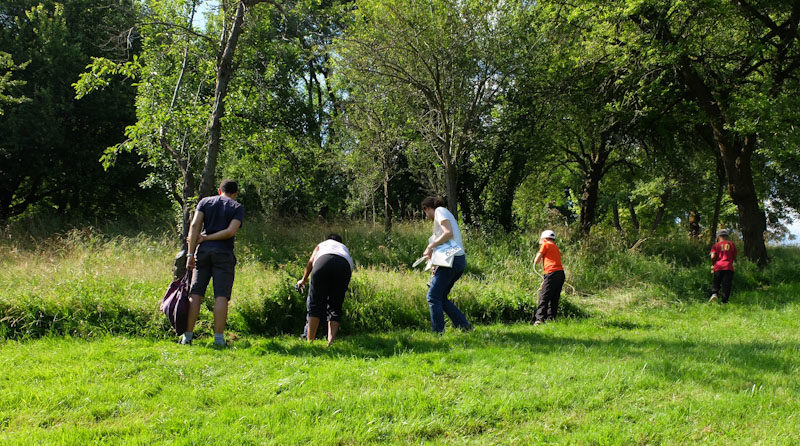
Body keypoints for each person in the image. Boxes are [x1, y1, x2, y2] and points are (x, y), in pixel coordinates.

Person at [183, 179, 245, 347]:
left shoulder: (204, 202)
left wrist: (190, 253)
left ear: (219, 190)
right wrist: (208, 238)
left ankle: (187, 337)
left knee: (195, 293)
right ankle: (219, 339)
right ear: (235, 193)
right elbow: (230, 231)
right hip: (223, 253)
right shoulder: (237, 207)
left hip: (202, 252)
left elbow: (195, 224)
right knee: (221, 296)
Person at [421, 196, 472, 334]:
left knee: (433, 296)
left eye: (425, 212)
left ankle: (438, 332)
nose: (427, 216)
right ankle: (464, 326)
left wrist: (430, 246)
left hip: (452, 261)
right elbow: (445, 240)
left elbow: (448, 233)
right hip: (457, 261)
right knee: (441, 297)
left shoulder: (440, 211)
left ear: (427, 208)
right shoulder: (444, 213)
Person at [296, 233, 354, 346]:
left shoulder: (323, 245)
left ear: (328, 240)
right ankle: (330, 343)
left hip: (323, 262)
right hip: (343, 266)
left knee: (315, 304)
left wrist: (303, 279)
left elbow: (311, 261)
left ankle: (309, 342)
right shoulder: (343, 248)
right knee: (335, 307)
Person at [532, 230, 565, 325]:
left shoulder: (546, 244)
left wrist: (535, 260)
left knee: (544, 296)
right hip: (560, 274)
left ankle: (539, 319)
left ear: (544, 238)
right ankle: (551, 319)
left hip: (551, 273)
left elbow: (537, 259)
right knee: (554, 297)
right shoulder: (555, 247)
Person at [709, 229, 737, 303]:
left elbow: (712, 256)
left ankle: (714, 294)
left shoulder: (715, 245)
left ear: (718, 237)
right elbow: (734, 256)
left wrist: (713, 264)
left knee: (716, 282)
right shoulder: (731, 244)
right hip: (728, 267)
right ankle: (724, 301)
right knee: (726, 285)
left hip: (718, 267)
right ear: (727, 237)